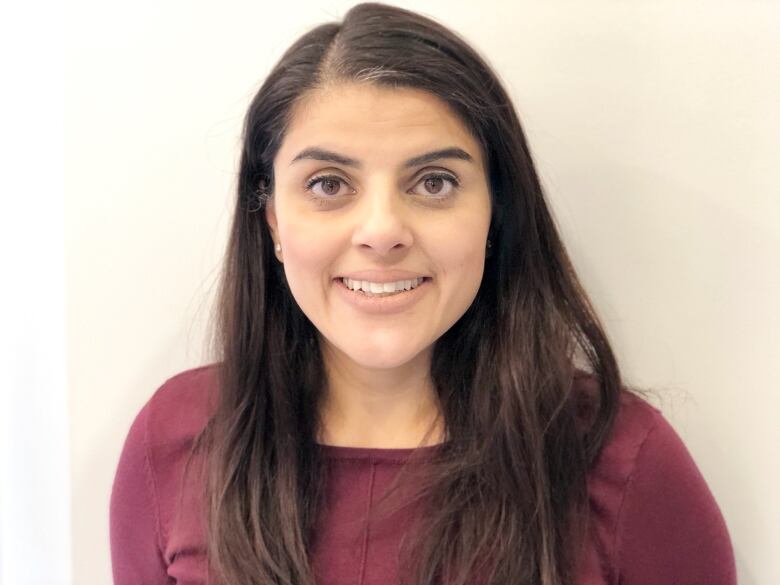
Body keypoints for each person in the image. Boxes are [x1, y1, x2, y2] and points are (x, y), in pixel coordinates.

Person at [109, 3, 736, 584]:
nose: (382, 232)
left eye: (434, 182)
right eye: (328, 184)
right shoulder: (173, 442)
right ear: (272, 219)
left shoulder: (624, 462)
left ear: (496, 212)